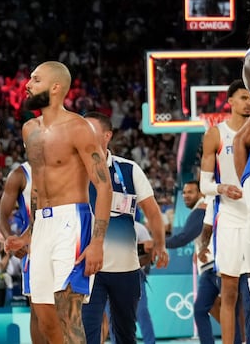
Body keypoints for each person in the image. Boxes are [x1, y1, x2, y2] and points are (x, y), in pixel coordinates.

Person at [11, 61, 112, 344]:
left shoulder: (79, 127)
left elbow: (103, 186)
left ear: (55, 88)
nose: (27, 85)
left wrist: (97, 242)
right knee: (46, 321)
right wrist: (29, 232)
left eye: (35, 79)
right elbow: (37, 187)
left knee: (68, 316)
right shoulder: (29, 129)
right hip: (41, 224)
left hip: (71, 222)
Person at [80, 111, 168, 344]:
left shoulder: (129, 170)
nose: (83, 136)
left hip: (126, 270)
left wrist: (160, 244)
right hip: (88, 269)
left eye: (90, 130)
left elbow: (153, 212)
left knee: (126, 336)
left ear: (107, 135)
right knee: (88, 335)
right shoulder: (74, 171)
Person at [199, 79, 250, 344]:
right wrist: (223, 188)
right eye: (244, 97)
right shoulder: (216, 134)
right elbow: (204, 185)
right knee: (230, 292)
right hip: (231, 218)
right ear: (230, 101)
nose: (249, 103)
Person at [164, 180, 220, 344]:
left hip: (215, 266)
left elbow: (183, 237)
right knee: (205, 309)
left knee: (220, 309)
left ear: (201, 194)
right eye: (184, 193)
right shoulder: (206, 209)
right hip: (211, 266)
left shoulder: (200, 210)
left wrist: (159, 243)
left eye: (190, 192)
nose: (185, 196)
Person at [0, 161, 47, 344]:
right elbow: (2, 213)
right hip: (34, 249)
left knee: (67, 308)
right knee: (38, 310)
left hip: (66, 243)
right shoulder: (20, 174)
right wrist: (11, 238)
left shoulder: (65, 164)